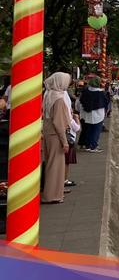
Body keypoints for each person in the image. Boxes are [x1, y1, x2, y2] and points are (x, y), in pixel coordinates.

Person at [42, 72, 73, 204]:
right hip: (56, 135)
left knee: (50, 164)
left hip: (48, 133)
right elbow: (59, 123)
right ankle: (53, 195)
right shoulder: (59, 99)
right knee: (56, 166)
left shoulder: (49, 95)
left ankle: (51, 193)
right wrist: (64, 142)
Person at [79, 77, 108, 152]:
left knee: (88, 130)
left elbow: (81, 101)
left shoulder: (85, 91)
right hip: (98, 114)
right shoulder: (100, 92)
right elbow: (105, 103)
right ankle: (93, 146)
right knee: (96, 131)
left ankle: (88, 145)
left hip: (87, 114)